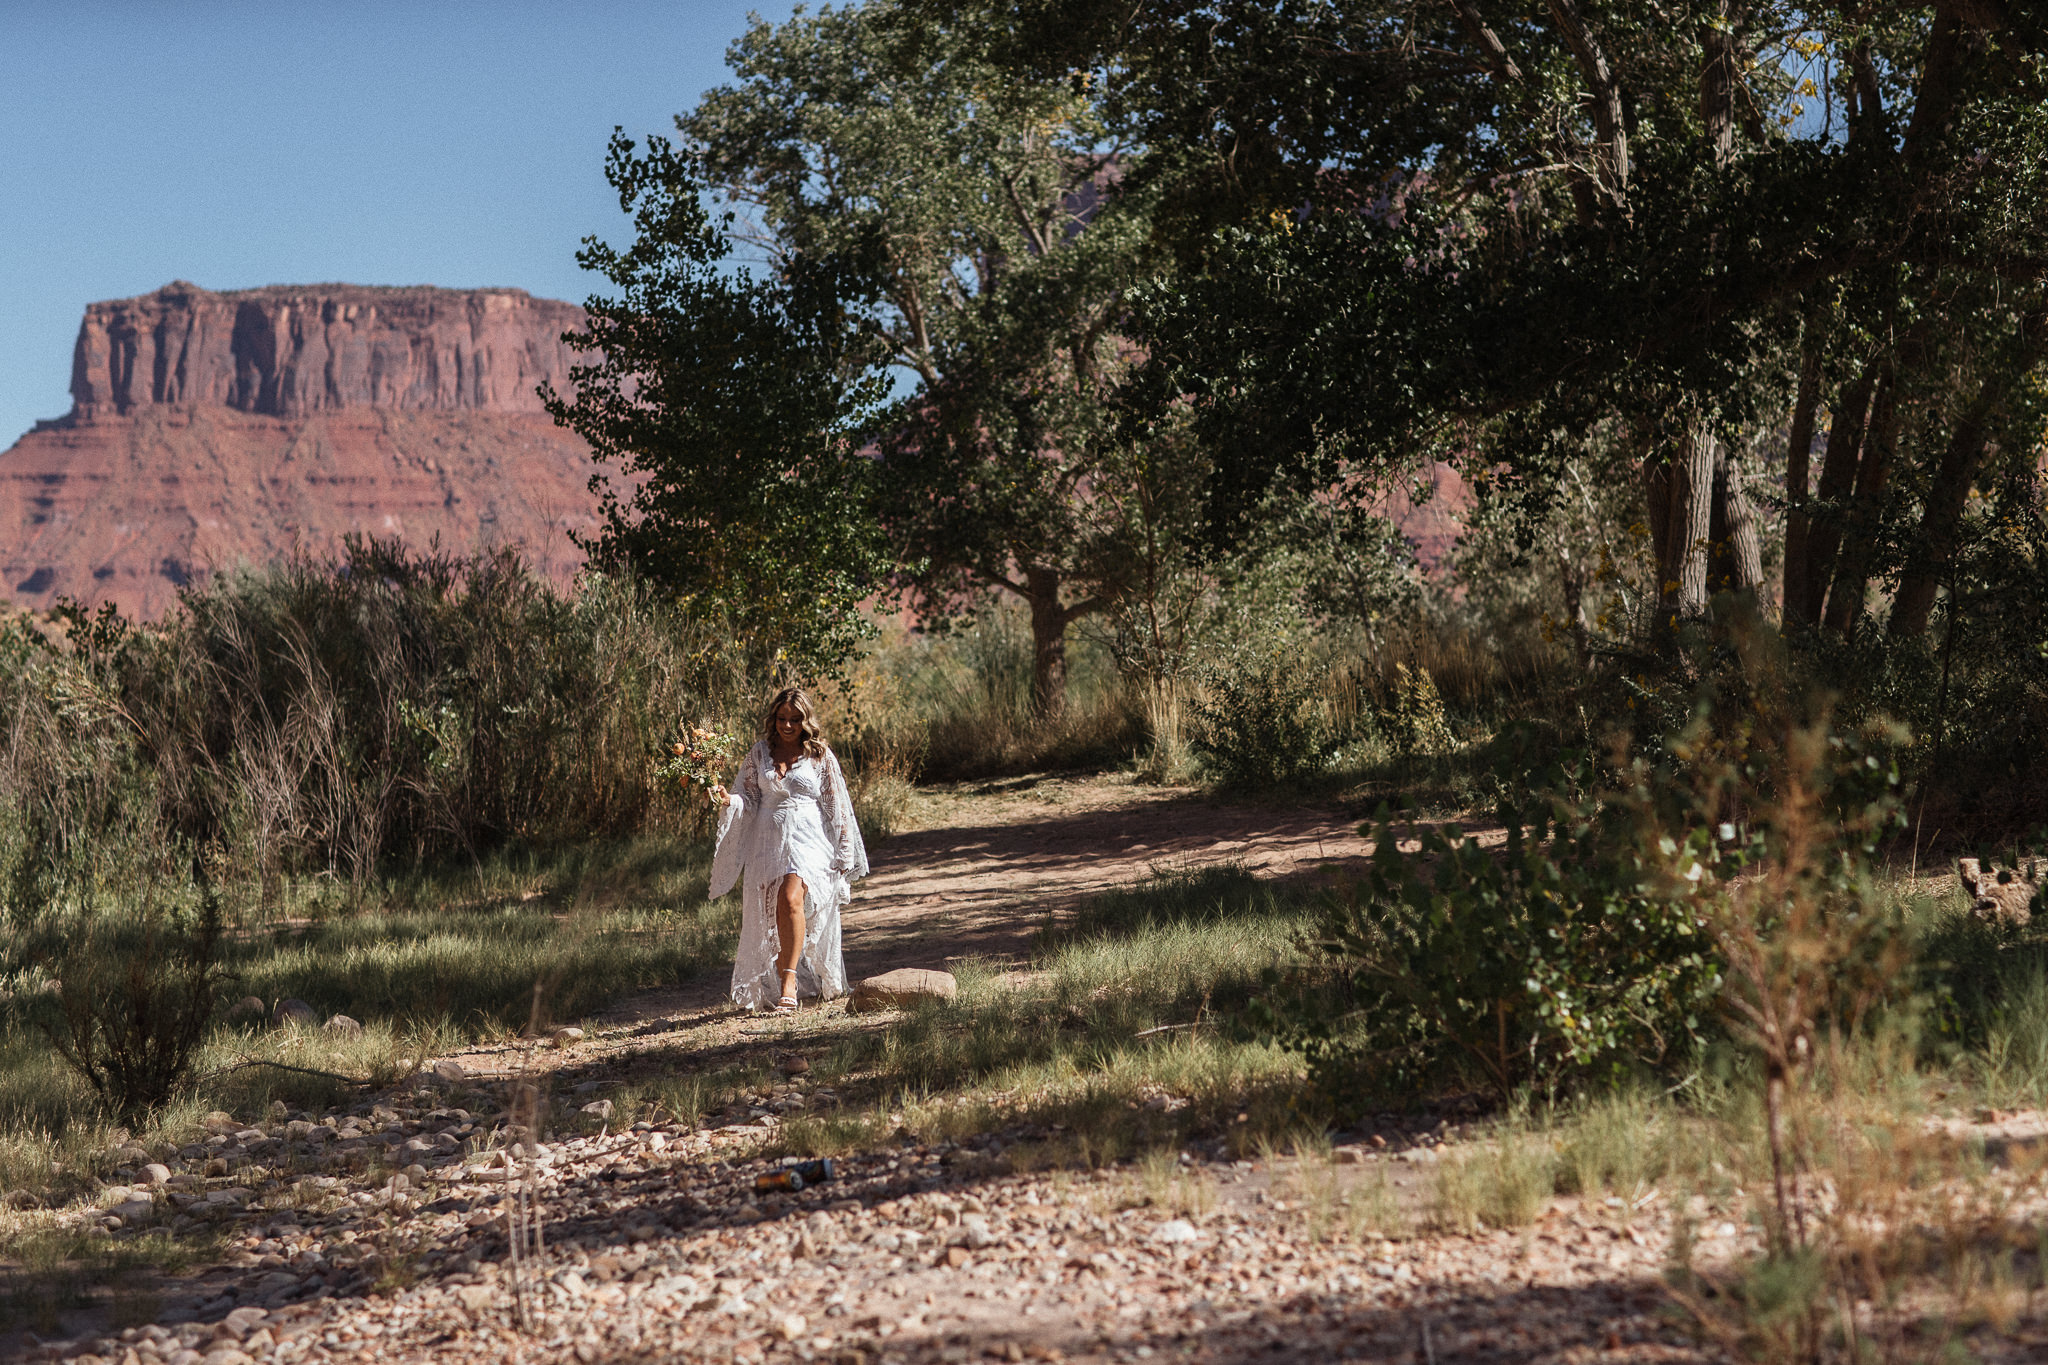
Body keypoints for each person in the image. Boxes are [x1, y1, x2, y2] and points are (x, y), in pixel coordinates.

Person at [708, 687, 868, 1013]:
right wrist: (728, 800)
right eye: (782, 718)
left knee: (791, 897)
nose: (788, 726)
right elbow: (749, 797)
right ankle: (785, 977)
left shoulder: (819, 755)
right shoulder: (759, 754)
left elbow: (836, 803)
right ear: (774, 718)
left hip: (809, 841)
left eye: (795, 719)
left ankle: (789, 983)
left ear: (805, 720)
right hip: (767, 842)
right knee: (776, 909)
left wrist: (844, 849)